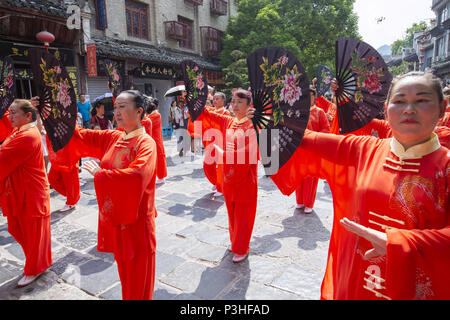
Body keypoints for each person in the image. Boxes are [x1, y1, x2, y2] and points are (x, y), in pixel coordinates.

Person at [250, 71, 449, 299]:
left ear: (442, 109)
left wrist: (402, 244)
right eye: (399, 101)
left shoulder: (446, 168)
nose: (409, 109)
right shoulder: (360, 150)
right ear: (386, 109)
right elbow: (303, 142)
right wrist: (265, 122)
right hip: (354, 274)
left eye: (422, 100)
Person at [68, 90, 158, 300]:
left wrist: (101, 175)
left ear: (139, 111)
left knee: (138, 278)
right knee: (125, 275)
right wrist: (57, 119)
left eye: (122, 107)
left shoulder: (146, 144)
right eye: (115, 107)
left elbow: (136, 176)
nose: (116, 111)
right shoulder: (114, 137)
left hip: (137, 224)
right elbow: (82, 137)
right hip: (119, 218)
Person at [194, 89, 259, 263]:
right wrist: (195, 99)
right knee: (232, 212)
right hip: (229, 177)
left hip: (245, 178)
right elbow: (210, 114)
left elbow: (248, 153)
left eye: (240, 102)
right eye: (233, 101)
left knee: (243, 214)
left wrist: (223, 154)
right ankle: (235, 241)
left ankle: (242, 247)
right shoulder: (230, 122)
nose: (235, 105)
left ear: (249, 106)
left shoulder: (253, 127)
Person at [0, 99, 52, 287]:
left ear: (27, 116)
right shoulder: (19, 130)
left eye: (14, 113)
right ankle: (39, 262)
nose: (10, 116)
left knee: (32, 234)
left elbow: (2, 160)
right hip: (21, 191)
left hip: (30, 193)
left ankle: (34, 268)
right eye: (10, 112)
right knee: (18, 229)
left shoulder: (28, 135)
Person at [295, 87, 330, 213]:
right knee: (299, 176)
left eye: (310, 96)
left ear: (314, 97)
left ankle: (309, 203)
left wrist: (314, 138)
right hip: (300, 149)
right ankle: (299, 200)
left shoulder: (319, 112)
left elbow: (326, 130)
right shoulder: (298, 112)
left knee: (311, 177)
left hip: (313, 149)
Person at [46, 133, 80, 212]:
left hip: (68, 155)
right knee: (52, 178)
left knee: (69, 180)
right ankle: (73, 195)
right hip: (57, 155)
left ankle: (71, 201)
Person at [146, 96, 167, 185]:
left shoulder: (156, 115)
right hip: (152, 139)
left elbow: (147, 123)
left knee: (159, 158)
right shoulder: (150, 115)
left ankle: (161, 176)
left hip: (156, 140)